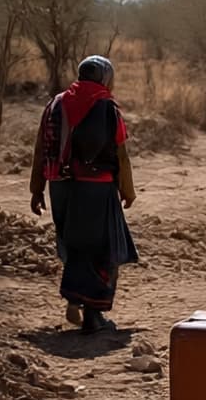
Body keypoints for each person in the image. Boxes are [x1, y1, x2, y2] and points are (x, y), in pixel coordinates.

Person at [29, 55, 137, 334]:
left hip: (60, 186)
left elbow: (41, 148)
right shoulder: (107, 106)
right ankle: (93, 313)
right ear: (104, 77)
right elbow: (121, 154)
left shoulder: (55, 104)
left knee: (74, 245)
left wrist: (36, 188)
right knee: (102, 249)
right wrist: (127, 189)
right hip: (96, 187)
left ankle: (75, 298)